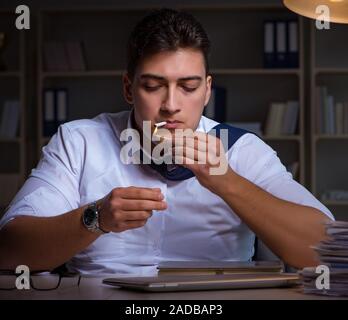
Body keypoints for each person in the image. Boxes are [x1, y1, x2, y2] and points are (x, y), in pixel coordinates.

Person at [0, 8, 334, 275]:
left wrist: (228, 183)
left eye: (188, 87)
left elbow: (328, 252)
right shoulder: (80, 142)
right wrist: (95, 218)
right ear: (129, 88)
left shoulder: (242, 149)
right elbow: (9, 251)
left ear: (207, 90)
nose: (171, 104)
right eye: (153, 86)